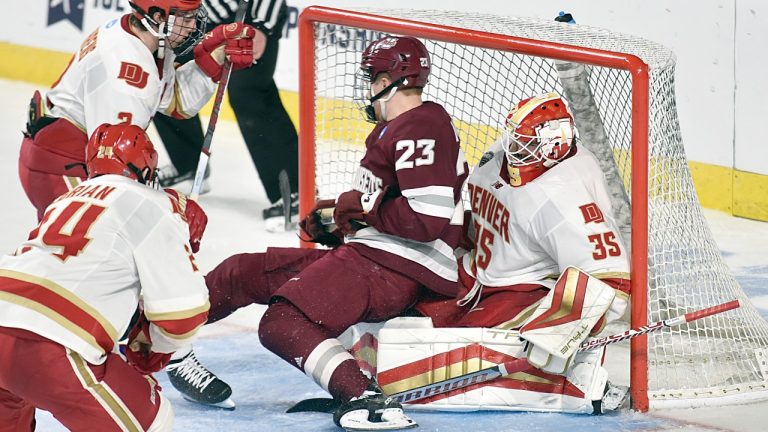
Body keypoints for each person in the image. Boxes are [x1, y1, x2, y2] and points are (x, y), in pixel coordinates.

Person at [185, 35, 468, 429]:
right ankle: (155, 336)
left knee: (283, 323)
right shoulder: (403, 127)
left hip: (396, 269)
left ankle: (366, 399)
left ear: (392, 79)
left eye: (371, 78)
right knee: (242, 272)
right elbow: (390, 207)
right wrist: (339, 221)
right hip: (374, 258)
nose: (367, 88)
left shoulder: (422, 126)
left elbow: (426, 218)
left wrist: (353, 209)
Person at [376, 91, 632, 413]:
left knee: (456, 353)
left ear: (554, 148)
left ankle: (579, 383)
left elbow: (613, 278)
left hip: (524, 287)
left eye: (525, 145)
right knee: (401, 307)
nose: (514, 150)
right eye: (515, 139)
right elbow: (483, 219)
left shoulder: (565, 198)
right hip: (480, 268)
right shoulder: (500, 155)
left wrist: (560, 326)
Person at [0, 123, 210, 431]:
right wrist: (156, 346)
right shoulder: (155, 205)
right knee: (154, 421)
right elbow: (183, 314)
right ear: (147, 169)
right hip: (53, 345)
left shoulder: (66, 199)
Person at [19, 0, 257, 221]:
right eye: (184, 17)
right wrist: (172, 211)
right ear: (156, 16)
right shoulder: (128, 76)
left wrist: (212, 60)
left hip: (60, 153)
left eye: (193, 16)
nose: (192, 25)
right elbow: (115, 173)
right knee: (87, 255)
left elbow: (174, 101)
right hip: (63, 167)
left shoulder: (141, 37)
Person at [154, 0, 299, 231]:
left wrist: (260, 25)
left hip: (249, 13)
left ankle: (294, 191)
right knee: (160, 69)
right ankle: (187, 165)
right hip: (196, 13)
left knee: (249, 94)